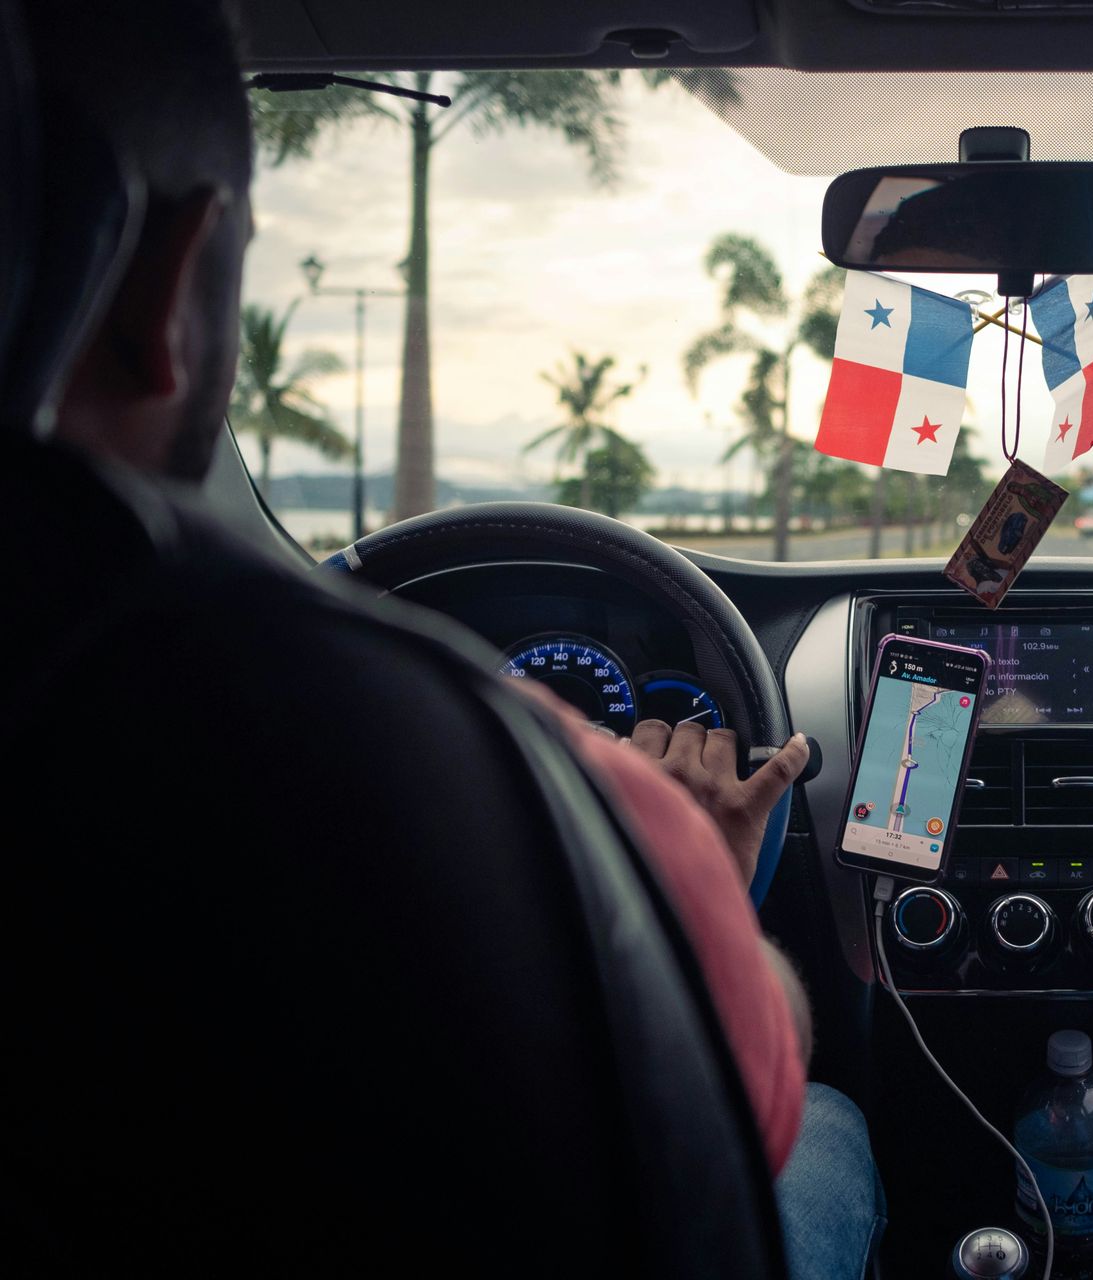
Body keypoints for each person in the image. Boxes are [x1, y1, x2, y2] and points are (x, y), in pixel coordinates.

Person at [6, 2, 881, 1274]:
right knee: (830, 1126)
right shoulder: (430, 747)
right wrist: (688, 864)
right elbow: (746, 1077)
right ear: (177, 281)